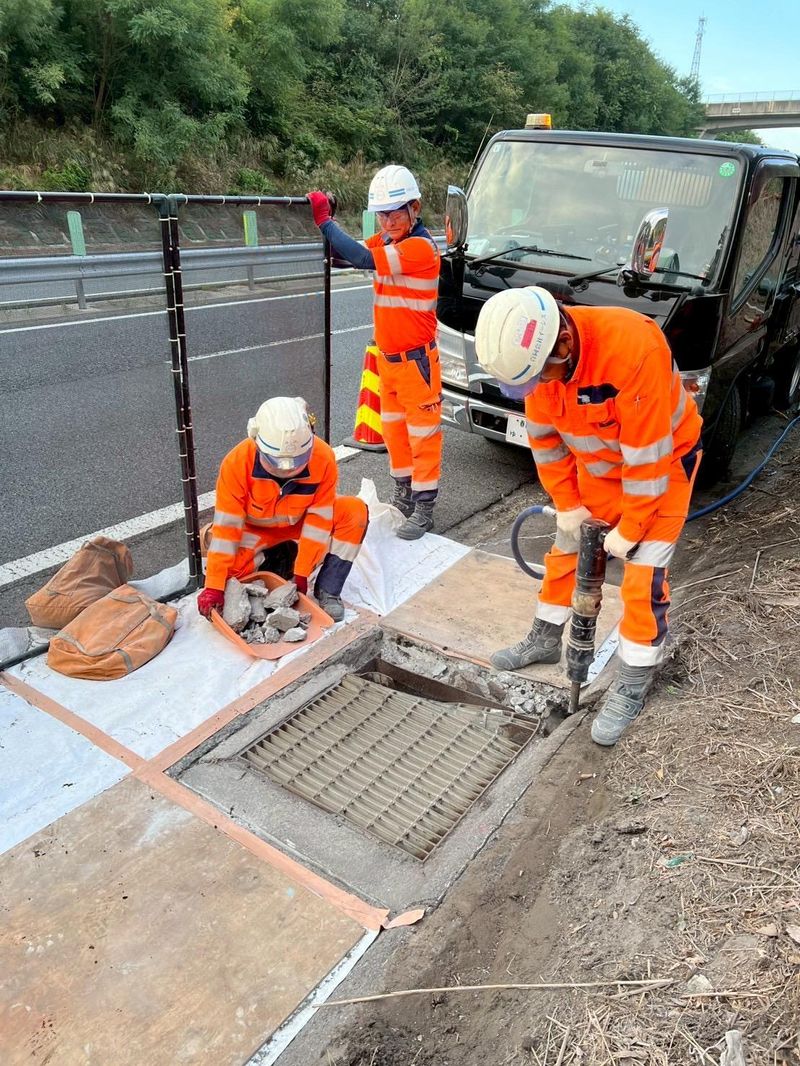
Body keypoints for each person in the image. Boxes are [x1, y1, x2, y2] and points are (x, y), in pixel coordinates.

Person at [475, 286, 703, 746]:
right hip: (599, 466)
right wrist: (567, 504)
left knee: (643, 578)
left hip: (663, 468)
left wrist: (631, 531)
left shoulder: (633, 349)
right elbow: (546, 442)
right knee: (568, 551)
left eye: (540, 377)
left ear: (563, 342)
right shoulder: (537, 363)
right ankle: (545, 638)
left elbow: (647, 459)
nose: (538, 387)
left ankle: (633, 682)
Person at [306, 166, 441, 540]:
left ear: (415, 208)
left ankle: (425, 508)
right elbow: (346, 256)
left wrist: (326, 221)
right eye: (382, 214)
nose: (388, 221)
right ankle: (405, 496)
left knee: (423, 437)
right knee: (395, 435)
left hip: (416, 363)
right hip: (389, 361)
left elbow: (362, 259)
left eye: (395, 213)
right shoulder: (386, 241)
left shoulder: (419, 248)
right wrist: (329, 228)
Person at [196, 396, 368, 624]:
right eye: (276, 462)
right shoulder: (237, 463)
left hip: (299, 525)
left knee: (353, 512)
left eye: (299, 461)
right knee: (231, 575)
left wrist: (302, 573)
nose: (288, 470)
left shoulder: (323, 457)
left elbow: (318, 522)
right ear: (256, 442)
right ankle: (278, 560)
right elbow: (228, 527)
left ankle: (328, 589)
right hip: (255, 531)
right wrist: (214, 586)